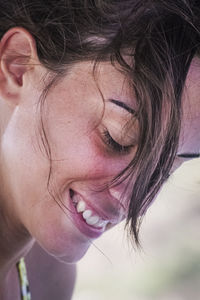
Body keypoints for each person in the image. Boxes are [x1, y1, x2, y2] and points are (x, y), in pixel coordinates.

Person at [0, 0, 199, 299]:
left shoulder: (47, 274)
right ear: (19, 65)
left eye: (163, 171)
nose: (133, 202)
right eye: (116, 139)